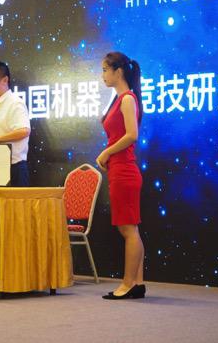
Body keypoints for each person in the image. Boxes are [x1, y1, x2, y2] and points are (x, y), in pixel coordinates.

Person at [96, 51, 145, 299]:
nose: (103, 75)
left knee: (128, 230)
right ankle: (137, 282)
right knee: (131, 228)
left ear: (119, 71)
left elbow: (132, 135)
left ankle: (127, 285)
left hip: (124, 170)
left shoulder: (127, 99)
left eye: (106, 70)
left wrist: (106, 152)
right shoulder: (119, 99)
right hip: (119, 169)